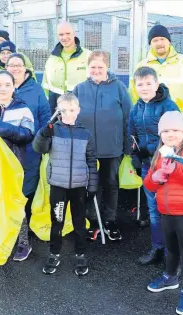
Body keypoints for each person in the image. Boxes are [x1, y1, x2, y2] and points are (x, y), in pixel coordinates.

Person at [0, 53, 51, 261]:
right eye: (10, 65)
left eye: (18, 65)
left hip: (27, 150)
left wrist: (39, 141)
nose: (14, 68)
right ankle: (8, 232)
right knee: (3, 193)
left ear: (26, 68)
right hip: (1, 152)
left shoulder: (36, 90)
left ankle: (24, 235)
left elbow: (44, 117)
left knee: (24, 191)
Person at [143, 111, 183, 315]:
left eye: (175, 130)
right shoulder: (160, 152)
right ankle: (170, 277)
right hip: (166, 211)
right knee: (171, 249)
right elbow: (149, 183)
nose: (170, 134)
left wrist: (174, 167)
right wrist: (158, 176)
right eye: (166, 131)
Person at [32, 93, 98, 276]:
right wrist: (42, 134)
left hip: (78, 188)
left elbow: (92, 161)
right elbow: (39, 148)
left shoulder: (85, 134)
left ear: (78, 110)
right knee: (57, 222)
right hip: (58, 187)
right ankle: (54, 253)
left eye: (71, 110)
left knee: (79, 224)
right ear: (57, 111)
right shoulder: (52, 130)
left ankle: (80, 254)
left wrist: (92, 186)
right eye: (63, 111)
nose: (68, 114)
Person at [73, 50, 131, 241]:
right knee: (91, 186)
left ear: (107, 67)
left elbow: (127, 118)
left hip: (112, 149)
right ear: (88, 68)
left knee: (111, 184)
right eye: (93, 67)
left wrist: (127, 147)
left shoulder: (119, 88)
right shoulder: (79, 89)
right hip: (87, 150)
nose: (96, 70)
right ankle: (93, 220)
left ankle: (110, 220)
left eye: (100, 67)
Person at [129, 66, 179, 264]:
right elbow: (131, 134)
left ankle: (172, 252)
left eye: (148, 83)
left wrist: (149, 149)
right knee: (153, 210)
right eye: (140, 84)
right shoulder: (137, 107)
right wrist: (135, 154)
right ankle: (157, 247)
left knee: (169, 209)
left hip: (166, 165)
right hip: (147, 166)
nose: (144, 88)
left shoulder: (168, 106)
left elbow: (175, 137)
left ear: (156, 84)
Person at [129, 25, 183, 131]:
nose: (159, 43)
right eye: (155, 40)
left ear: (169, 41)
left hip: (179, 125)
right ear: (150, 44)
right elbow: (134, 95)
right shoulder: (141, 66)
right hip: (150, 126)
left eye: (162, 39)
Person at [42, 21, 91, 113]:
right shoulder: (52, 58)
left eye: (68, 33)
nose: (64, 37)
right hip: (57, 107)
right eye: (61, 34)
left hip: (81, 106)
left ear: (74, 34)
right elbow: (45, 84)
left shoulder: (88, 55)